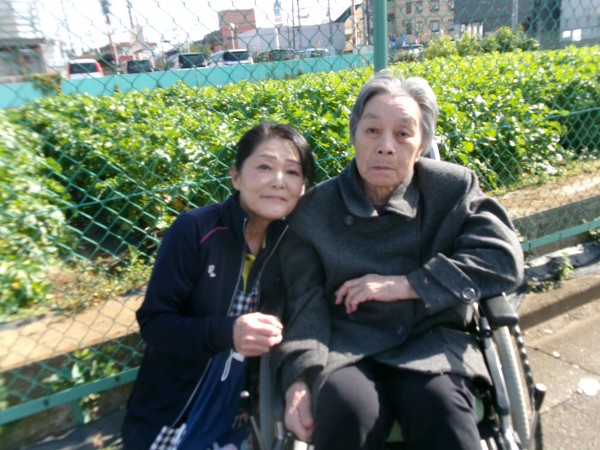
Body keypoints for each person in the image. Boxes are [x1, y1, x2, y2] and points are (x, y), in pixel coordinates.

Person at [271, 73, 524, 450]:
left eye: (403, 133)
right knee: (347, 413)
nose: (386, 146)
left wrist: (408, 284)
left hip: (431, 339)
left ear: (422, 146)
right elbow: (303, 304)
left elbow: (501, 259)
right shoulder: (314, 211)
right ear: (354, 136)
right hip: (345, 347)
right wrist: (299, 378)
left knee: (442, 410)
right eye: (372, 130)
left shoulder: (452, 188)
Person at [121, 122, 315, 449]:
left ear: (303, 186)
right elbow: (154, 323)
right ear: (236, 176)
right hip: (176, 408)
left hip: (240, 409)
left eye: (292, 172)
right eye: (264, 167)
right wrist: (228, 332)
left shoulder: (289, 244)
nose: (278, 181)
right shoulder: (195, 230)